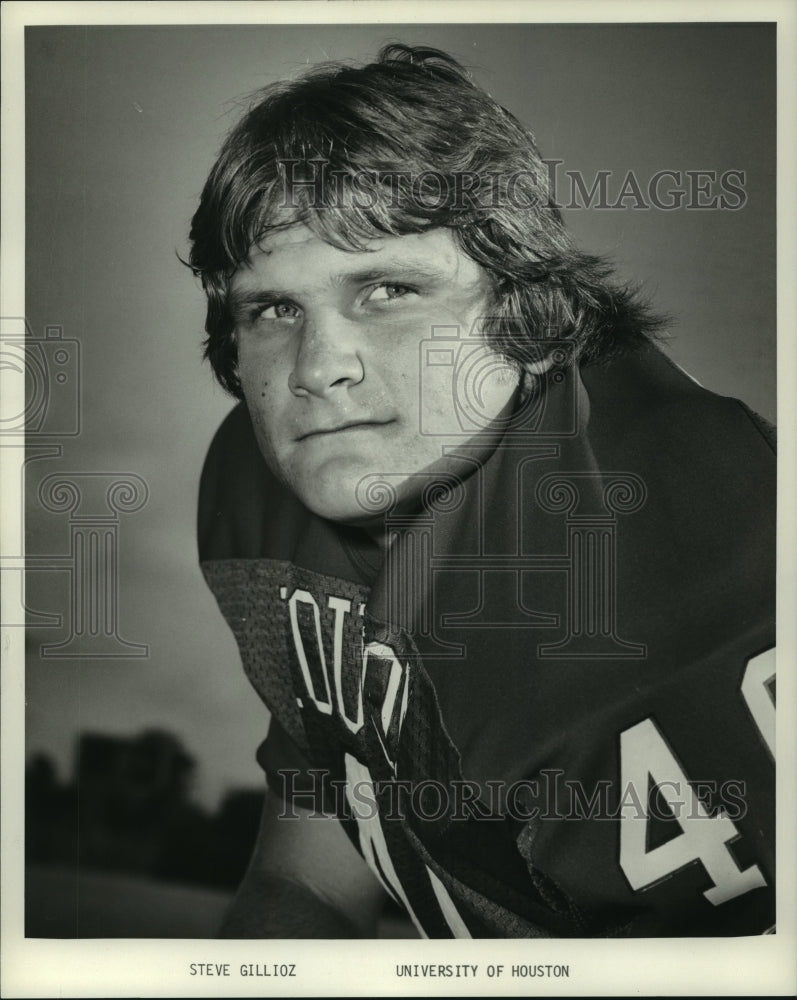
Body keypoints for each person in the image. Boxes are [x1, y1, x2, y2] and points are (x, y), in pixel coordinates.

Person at [188, 44, 775, 938]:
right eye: (273, 309)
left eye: (388, 289)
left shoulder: (697, 538)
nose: (317, 367)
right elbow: (311, 868)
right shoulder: (259, 482)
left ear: (531, 316)